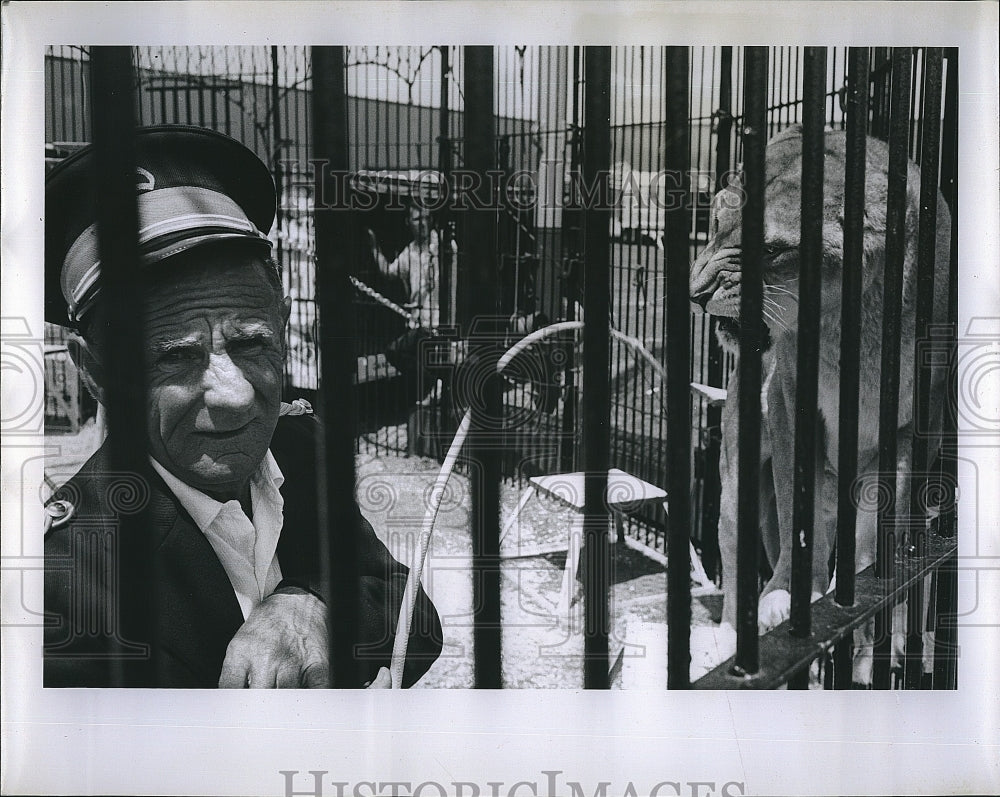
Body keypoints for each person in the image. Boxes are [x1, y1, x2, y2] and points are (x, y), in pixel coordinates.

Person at [43, 125, 442, 688]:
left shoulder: (297, 449)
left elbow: (413, 613)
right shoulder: (65, 580)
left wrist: (313, 604)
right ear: (94, 370)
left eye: (252, 342)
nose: (234, 396)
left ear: (282, 323)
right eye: (175, 357)